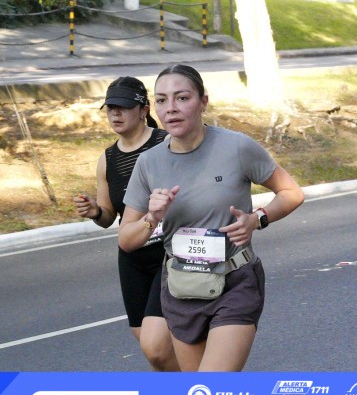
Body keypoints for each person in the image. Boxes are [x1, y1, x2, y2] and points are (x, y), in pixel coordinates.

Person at [118, 64, 305, 372]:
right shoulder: (149, 162)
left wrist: (256, 219)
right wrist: (152, 217)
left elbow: (291, 193)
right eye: (162, 100)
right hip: (182, 287)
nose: (171, 108)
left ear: (203, 102)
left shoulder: (237, 147)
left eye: (182, 98)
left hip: (235, 281)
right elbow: (126, 240)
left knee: (213, 385)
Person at [73, 76, 179, 371]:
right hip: (133, 256)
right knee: (150, 347)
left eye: (123, 107)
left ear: (144, 109)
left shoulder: (167, 143)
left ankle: (197, 388)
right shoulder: (107, 158)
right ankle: (185, 393)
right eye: (110, 108)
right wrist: (95, 211)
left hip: (169, 253)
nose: (115, 114)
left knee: (157, 348)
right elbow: (108, 216)